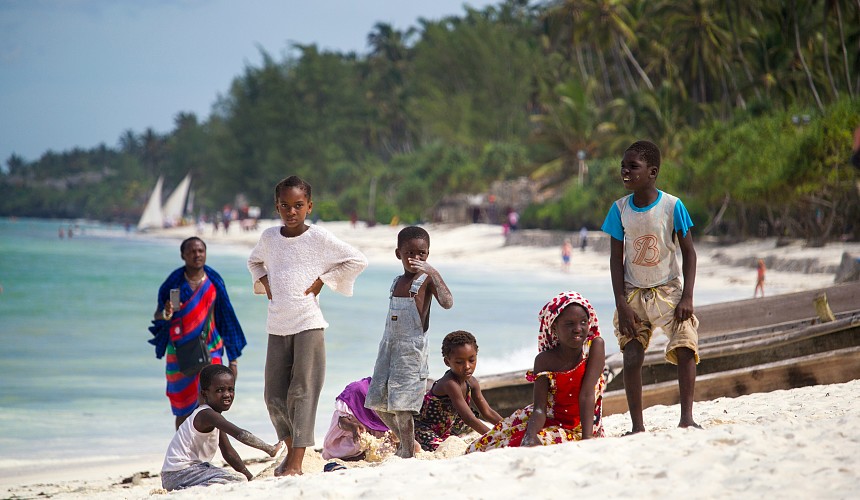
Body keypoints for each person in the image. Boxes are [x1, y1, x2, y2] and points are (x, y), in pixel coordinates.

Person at [247, 175, 368, 476]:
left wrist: (323, 281)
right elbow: (254, 262)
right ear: (277, 207)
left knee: (301, 392)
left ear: (309, 206)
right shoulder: (269, 238)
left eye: (298, 205)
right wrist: (264, 282)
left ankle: (297, 464)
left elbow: (356, 260)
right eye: (285, 206)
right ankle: (291, 453)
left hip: (308, 324)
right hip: (276, 325)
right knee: (273, 395)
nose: (291, 212)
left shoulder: (319, 238)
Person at [600, 140, 701, 433]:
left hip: (669, 291)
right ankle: (637, 426)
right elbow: (615, 259)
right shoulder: (618, 210)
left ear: (652, 171)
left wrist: (688, 297)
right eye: (623, 166)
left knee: (685, 347)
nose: (625, 172)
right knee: (631, 356)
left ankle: (687, 418)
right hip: (633, 294)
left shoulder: (673, 206)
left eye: (633, 166)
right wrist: (621, 302)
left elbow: (689, 253)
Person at [466, 291, 606, 453]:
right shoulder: (544, 360)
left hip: (582, 425)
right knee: (484, 445)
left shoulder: (593, 347)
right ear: (554, 327)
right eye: (569, 324)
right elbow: (540, 408)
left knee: (532, 443)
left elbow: (587, 394)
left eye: (583, 322)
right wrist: (530, 435)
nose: (578, 329)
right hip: (548, 417)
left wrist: (587, 440)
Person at [365, 225, 454, 458]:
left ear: (428, 254)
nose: (416, 258)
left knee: (403, 408)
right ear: (398, 254)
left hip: (411, 352)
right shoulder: (396, 282)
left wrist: (433, 272)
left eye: (421, 254)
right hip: (388, 349)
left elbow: (448, 302)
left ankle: (407, 452)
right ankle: (410, 442)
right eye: (410, 254)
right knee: (376, 402)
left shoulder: (426, 280)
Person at [149, 236, 247, 430]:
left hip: (211, 349)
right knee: (182, 408)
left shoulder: (214, 281)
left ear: (206, 254)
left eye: (200, 251)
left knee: (212, 405)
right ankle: (184, 454)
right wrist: (167, 313)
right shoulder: (174, 283)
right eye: (192, 251)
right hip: (179, 354)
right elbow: (158, 315)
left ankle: (207, 454)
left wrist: (233, 360)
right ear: (183, 255)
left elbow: (226, 318)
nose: (197, 255)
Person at [160, 364, 283, 491]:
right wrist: (269, 449)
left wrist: (250, 477)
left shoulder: (214, 418)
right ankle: (185, 490)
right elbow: (240, 434)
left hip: (183, 473)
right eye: (219, 390)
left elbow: (228, 453)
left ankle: (188, 488)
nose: (227, 395)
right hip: (178, 474)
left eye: (231, 389)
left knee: (238, 478)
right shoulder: (206, 415)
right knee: (236, 479)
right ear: (204, 394)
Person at [414, 331, 502, 452]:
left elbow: (487, 412)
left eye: (471, 360)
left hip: (450, 426)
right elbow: (468, 418)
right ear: (447, 362)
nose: (467, 366)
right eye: (459, 362)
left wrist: (508, 427)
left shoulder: (472, 382)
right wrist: (497, 438)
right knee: (441, 447)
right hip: (425, 429)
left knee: (472, 424)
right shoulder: (450, 384)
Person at [321, 377, 390, 461]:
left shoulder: (392, 396)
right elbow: (342, 421)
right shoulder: (356, 391)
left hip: (374, 441)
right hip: (347, 437)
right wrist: (352, 427)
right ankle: (353, 455)